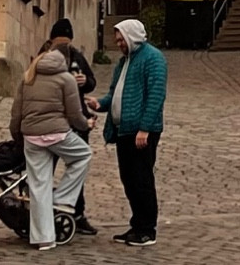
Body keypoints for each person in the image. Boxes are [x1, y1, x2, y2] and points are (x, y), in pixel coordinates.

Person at [10, 44, 93, 252]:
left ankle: (44, 239)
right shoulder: (66, 79)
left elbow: (16, 114)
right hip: (57, 133)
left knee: (38, 185)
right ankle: (63, 200)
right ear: (63, 61)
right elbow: (74, 115)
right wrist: (87, 124)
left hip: (31, 135)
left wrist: (18, 137)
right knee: (83, 155)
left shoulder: (28, 77)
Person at [93, 18, 167, 248]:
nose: (118, 43)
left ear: (132, 36)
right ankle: (137, 224)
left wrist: (144, 128)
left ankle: (147, 229)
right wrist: (98, 104)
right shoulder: (124, 62)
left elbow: (155, 96)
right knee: (129, 180)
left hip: (141, 132)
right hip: (124, 130)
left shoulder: (153, 59)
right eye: (117, 39)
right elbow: (115, 94)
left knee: (142, 179)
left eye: (121, 38)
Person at [44, 20, 99, 236]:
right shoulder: (44, 56)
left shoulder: (76, 56)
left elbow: (92, 82)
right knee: (44, 169)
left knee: (77, 167)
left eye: (67, 42)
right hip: (53, 120)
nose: (64, 46)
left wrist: (85, 82)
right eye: (61, 42)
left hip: (76, 121)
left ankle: (76, 212)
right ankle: (44, 210)